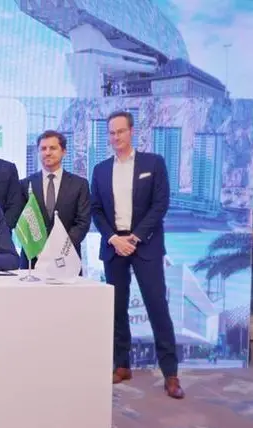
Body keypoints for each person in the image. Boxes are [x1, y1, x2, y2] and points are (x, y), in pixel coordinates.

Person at [90, 110, 184, 399]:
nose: (116, 136)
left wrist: (136, 236)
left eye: (120, 131)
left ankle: (170, 374)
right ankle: (122, 365)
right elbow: (96, 210)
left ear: (132, 132)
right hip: (114, 245)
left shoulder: (153, 163)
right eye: (111, 132)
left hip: (146, 244)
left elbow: (160, 204)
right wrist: (113, 238)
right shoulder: (100, 169)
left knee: (157, 307)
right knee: (117, 309)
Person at [20, 130, 91, 269]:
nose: (47, 152)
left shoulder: (79, 184)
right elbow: (21, 221)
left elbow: (83, 222)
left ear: (64, 151)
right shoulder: (25, 184)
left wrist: (59, 248)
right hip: (32, 259)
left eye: (52, 148)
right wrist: (39, 248)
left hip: (66, 258)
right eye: (43, 148)